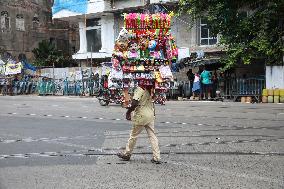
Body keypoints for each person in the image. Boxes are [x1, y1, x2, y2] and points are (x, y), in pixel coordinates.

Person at [117, 84, 161, 164]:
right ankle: (157, 157)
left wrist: (128, 112)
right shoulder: (150, 89)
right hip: (150, 115)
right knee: (152, 135)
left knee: (133, 135)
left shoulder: (140, 89)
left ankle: (127, 154)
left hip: (141, 115)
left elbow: (134, 103)